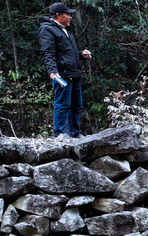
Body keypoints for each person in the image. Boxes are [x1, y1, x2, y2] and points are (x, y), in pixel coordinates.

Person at [38, 3, 91, 139]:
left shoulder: (66, 30)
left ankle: (75, 132)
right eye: (67, 14)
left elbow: (67, 53)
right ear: (58, 15)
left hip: (73, 72)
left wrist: (80, 54)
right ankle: (59, 134)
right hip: (61, 74)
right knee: (62, 104)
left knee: (76, 105)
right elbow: (48, 52)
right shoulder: (47, 29)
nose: (70, 17)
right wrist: (52, 71)